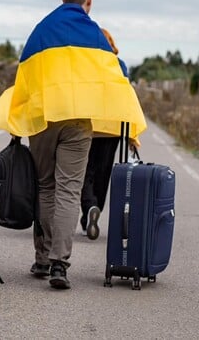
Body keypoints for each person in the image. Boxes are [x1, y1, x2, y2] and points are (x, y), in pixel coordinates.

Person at [0, 0, 146, 289]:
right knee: (70, 190)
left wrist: (18, 120)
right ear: (89, 0)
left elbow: (25, 76)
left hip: (45, 119)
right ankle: (60, 264)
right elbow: (119, 72)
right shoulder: (95, 35)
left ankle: (42, 260)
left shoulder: (42, 30)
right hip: (78, 122)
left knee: (46, 187)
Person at [80, 28, 121, 240]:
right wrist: (132, 134)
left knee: (84, 172)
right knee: (103, 174)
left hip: (88, 124)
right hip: (112, 128)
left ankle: (89, 208)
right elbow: (127, 100)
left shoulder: (86, 65)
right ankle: (93, 213)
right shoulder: (119, 66)